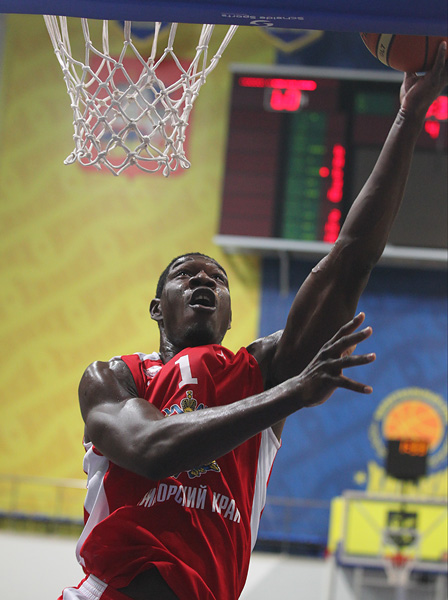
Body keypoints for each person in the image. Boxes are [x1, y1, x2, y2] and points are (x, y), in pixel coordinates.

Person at [59, 44, 448, 600]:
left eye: (216, 279)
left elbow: (349, 260)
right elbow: (150, 448)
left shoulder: (261, 369)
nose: (203, 281)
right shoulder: (115, 377)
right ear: (156, 307)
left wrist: (409, 116)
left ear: (229, 314)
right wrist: (291, 395)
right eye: (185, 275)